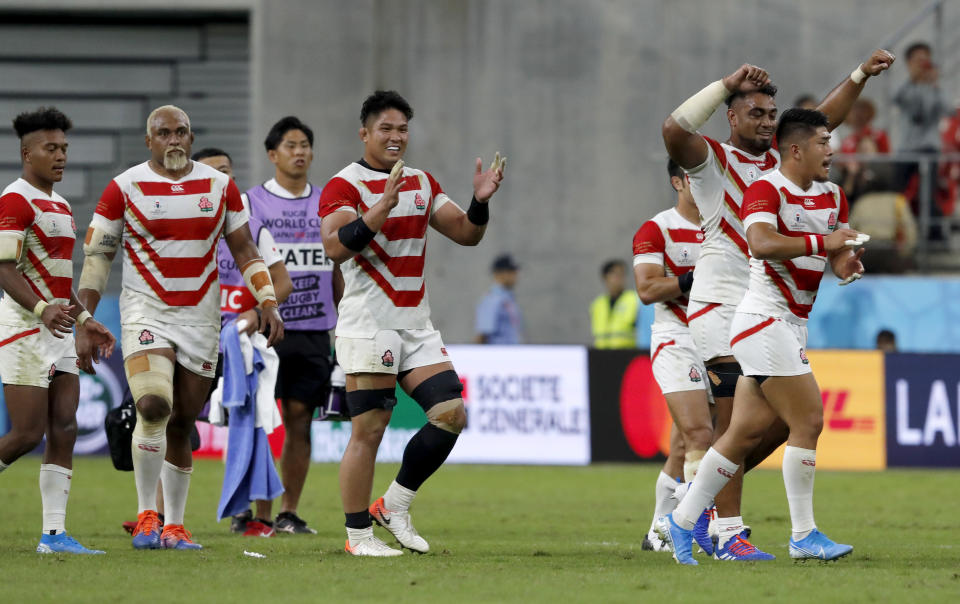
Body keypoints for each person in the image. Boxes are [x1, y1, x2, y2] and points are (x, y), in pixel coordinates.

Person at [661, 49, 893, 561]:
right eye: (755, 113)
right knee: (747, 423)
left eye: (771, 114)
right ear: (732, 115)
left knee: (759, 428)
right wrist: (725, 82)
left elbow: (818, 125)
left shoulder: (786, 163)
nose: (766, 122)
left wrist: (859, 75)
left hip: (774, 304)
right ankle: (728, 534)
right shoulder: (714, 160)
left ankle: (689, 511)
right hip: (723, 304)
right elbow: (673, 131)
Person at [77, 105, 284, 550]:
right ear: (148, 140)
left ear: (191, 138)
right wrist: (84, 318)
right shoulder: (124, 187)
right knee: (153, 405)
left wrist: (267, 298)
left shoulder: (221, 187)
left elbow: (245, 249)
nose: (173, 140)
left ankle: (174, 525)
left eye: (181, 132)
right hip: (145, 313)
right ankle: (147, 515)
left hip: (201, 320)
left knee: (183, 422)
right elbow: (98, 257)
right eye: (164, 133)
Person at [319, 90, 506, 556]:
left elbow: (466, 234)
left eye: (402, 128)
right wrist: (381, 206)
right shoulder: (344, 185)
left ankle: (395, 505)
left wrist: (479, 203)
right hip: (368, 325)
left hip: (415, 324)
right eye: (386, 128)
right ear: (364, 133)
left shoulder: (422, 182)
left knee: (450, 415)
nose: (396, 136)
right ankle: (358, 537)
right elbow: (336, 246)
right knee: (370, 430)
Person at [0, 107, 115, 555]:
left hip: (59, 328)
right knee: (26, 434)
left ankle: (54, 535)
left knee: (64, 427)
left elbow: (58, 278)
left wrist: (85, 320)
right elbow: (4, 269)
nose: (61, 156)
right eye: (52, 148)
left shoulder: (61, 206)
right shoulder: (15, 200)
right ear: (28, 153)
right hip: (24, 328)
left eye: (65, 148)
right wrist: (43, 309)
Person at [245, 117, 343, 535]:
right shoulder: (252, 203)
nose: (299, 152)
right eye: (290, 145)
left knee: (300, 418)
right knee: (261, 419)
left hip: (314, 330)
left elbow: (337, 270)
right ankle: (255, 511)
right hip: (268, 326)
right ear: (273, 154)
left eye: (305, 144)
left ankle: (288, 512)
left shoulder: (328, 204)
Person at [194, 147, 294, 537]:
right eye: (214, 173)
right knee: (175, 421)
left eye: (228, 172)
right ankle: (160, 515)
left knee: (254, 423)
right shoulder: (184, 231)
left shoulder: (253, 228)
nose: (224, 180)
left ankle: (260, 517)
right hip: (196, 337)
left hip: (245, 339)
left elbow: (282, 282)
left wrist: (255, 311)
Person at [632, 159, 712, 551]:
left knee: (685, 441)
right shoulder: (657, 228)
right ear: (677, 182)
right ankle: (701, 525)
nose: (704, 184)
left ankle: (658, 530)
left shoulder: (724, 226)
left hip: (718, 340)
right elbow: (646, 290)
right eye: (695, 178)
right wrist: (691, 279)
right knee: (700, 433)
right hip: (675, 336)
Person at [892, 42, 952, 237]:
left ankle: (932, 236)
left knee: (928, 195)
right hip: (906, 148)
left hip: (929, 147)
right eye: (917, 59)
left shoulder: (932, 87)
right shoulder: (905, 86)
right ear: (909, 62)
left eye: (925, 59)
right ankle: (896, 231)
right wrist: (913, 79)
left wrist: (934, 84)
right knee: (896, 191)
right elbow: (896, 98)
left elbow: (948, 109)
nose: (922, 63)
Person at [475, 254, 524, 344]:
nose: (515, 275)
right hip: (497, 355)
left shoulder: (508, 298)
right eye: (511, 271)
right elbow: (482, 335)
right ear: (500, 273)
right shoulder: (492, 299)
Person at [590, 259, 638, 349]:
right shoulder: (598, 304)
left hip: (627, 352)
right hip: (601, 353)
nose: (619, 279)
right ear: (605, 277)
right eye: (615, 275)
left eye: (622, 275)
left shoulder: (634, 299)